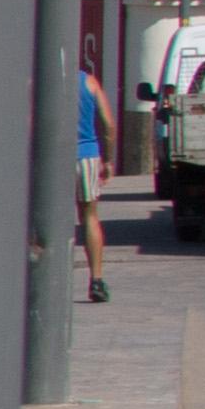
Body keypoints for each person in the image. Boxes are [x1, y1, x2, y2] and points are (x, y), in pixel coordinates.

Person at [77, 64, 112, 303]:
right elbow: (108, 125)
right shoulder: (90, 83)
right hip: (87, 156)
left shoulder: (43, 82)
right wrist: (108, 160)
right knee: (89, 215)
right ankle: (96, 279)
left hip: (54, 158)